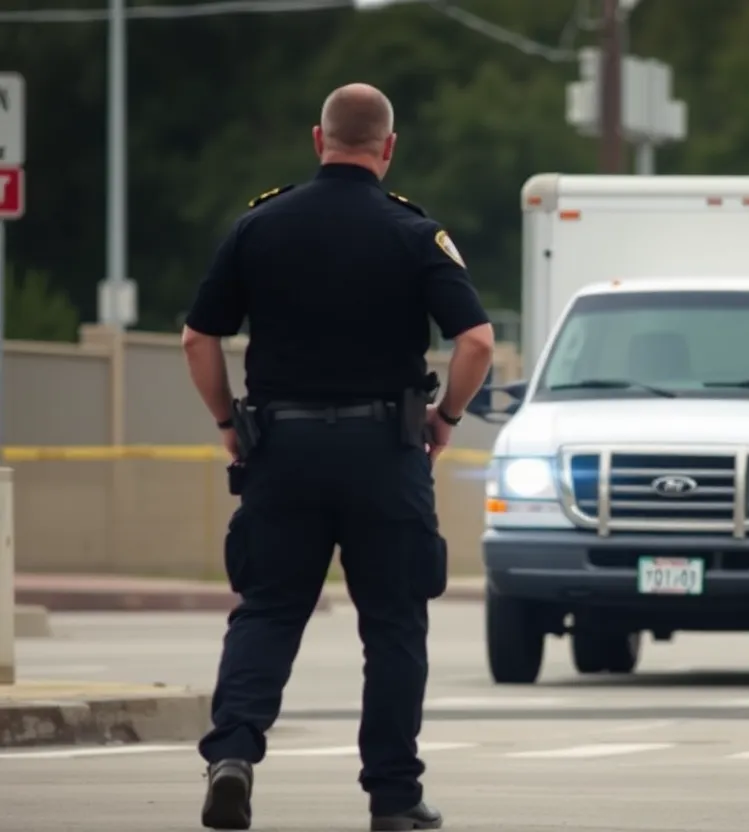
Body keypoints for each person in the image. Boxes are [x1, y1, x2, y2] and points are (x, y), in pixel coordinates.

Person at [181, 82, 495, 831]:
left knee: (269, 608)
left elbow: (199, 337)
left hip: (282, 449)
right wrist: (446, 415)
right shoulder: (415, 234)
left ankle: (233, 754)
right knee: (392, 624)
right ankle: (393, 798)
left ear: (317, 140)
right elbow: (476, 341)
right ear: (388, 148)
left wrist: (229, 421)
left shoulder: (257, 226)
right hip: (384, 454)